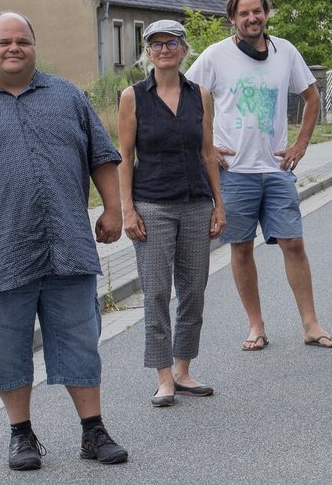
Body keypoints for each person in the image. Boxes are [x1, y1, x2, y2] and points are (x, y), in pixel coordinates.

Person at [0, 11, 129, 470]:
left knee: (80, 341)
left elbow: (103, 158)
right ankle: (21, 435)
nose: (14, 48)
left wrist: (114, 209)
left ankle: (93, 430)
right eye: (3, 42)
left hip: (68, 247)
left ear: (34, 46)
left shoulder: (68, 97)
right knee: (5, 346)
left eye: (22, 41)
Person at [185, 0, 332, 352]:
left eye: (257, 11)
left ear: (266, 13)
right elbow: (184, 99)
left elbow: (312, 96)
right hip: (234, 170)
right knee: (240, 248)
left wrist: (302, 144)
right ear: (232, 20)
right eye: (244, 14)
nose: (252, 18)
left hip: (275, 167)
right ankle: (256, 325)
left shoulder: (284, 51)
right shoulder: (214, 56)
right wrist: (203, 145)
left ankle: (310, 324)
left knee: (294, 242)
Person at [117, 20, 225, 407]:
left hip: (196, 203)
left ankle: (183, 370)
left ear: (184, 49)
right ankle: (163, 377)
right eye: (156, 43)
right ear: (147, 52)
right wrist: (128, 209)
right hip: (152, 204)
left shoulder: (201, 94)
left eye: (172, 42)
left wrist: (218, 204)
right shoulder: (133, 96)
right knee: (158, 291)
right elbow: (125, 158)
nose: (165, 49)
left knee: (194, 291)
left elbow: (208, 152)